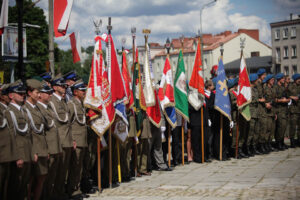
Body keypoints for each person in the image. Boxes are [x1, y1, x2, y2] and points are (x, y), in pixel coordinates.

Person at [5, 80, 31, 200]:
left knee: (24, 185)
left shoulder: (23, 111)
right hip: (18, 154)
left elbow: (29, 134)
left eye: (23, 93)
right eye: (19, 93)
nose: (23, 95)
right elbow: (11, 137)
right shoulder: (9, 112)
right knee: (15, 185)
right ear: (11, 95)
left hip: (27, 152)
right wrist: (16, 156)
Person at [24, 79, 49, 200]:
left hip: (42, 148)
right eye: (36, 92)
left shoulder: (37, 108)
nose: (39, 95)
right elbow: (28, 132)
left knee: (41, 177)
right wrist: (33, 150)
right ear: (29, 93)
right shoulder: (25, 108)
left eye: (40, 92)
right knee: (30, 180)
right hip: (33, 149)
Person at [37, 82, 62, 200]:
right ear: (40, 95)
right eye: (47, 93)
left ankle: (51, 195)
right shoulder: (39, 109)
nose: (50, 95)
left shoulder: (49, 108)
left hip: (55, 147)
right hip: (48, 148)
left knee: (53, 176)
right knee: (45, 178)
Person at [50, 74, 74, 199]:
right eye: (61, 85)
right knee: (56, 172)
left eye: (65, 86)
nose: (64, 87)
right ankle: (54, 194)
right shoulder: (51, 101)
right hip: (59, 141)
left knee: (64, 171)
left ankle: (60, 192)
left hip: (67, 140)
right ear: (54, 87)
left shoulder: (63, 101)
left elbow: (68, 122)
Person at [67, 79, 88, 198]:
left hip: (82, 140)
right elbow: (68, 124)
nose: (84, 92)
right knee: (74, 167)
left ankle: (77, 188)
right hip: (76, 140)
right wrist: (72, 140)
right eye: (82, 90)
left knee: (80, 167)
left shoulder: (81, 104)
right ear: (75, 92)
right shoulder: (71, 105)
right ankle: (72, 189)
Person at [0, 84, 16, 200]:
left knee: (7, 183)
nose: (8, 97)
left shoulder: (8, 110)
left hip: (8, 153)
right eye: (6, 95)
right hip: (2, 153)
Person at [274, 73, 290, 149]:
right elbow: (274, 99)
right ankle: (278, 143)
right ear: (279, 79)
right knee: (280, 127)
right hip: (279, 110)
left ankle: (282, 142)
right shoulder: (275, 87)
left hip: (285, 109)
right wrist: (281, 100)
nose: (284, 79)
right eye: (282, 78)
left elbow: (287, 96)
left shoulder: (283, 87)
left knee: (283, 127)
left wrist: (287, 99)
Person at [263, 74, 277, 153]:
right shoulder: (264, 88)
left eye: (273, 80)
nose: (273, 81)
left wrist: (275, 113)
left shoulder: (273, 89)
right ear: (268, 80)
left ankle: (269, 144)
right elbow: (262, 98)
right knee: (267, 129)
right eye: (271, 80)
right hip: (266, 112)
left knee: (271, 130)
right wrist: (266, 103)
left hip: (272, 111)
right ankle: (264, 145)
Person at [288, 73, 300, 147]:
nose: (299, 80)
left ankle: (299, 140)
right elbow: (286, 94)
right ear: (295, 79)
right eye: (298, 79)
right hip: (293, 110)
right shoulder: (290, 86)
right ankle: (292, 141)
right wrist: (292, 97)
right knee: (293, 126)